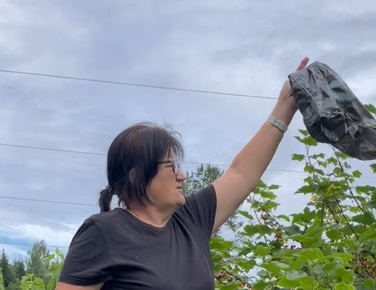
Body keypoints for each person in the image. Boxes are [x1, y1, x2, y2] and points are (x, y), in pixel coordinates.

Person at [55, 57, 310, 290]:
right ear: (136, 175)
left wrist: (285, 107)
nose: (182, 176)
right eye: (171, 166)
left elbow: (242, 172)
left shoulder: (191, 220)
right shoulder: (103, 232)